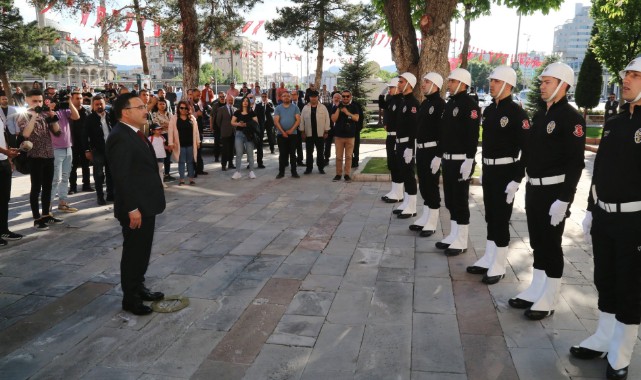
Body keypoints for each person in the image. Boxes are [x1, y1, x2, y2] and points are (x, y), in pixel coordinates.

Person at [570, 59, 641, 380]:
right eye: (626, 73)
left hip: (634, 222)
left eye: (635, 75)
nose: (626, 80)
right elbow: (600, 169)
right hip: (605, 216)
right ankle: (603, 336)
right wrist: (589, 208)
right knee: (605, 280)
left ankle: (621, 353)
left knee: (630, 287)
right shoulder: (614, 122)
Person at [508, 62, 585, 321]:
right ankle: (536, 288)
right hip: (535, 189)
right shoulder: (541, 115)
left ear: (563, 85)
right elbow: (528, 152)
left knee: (551, 244)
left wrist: (565, 198)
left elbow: (576, 162)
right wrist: (517, 178)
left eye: (547, 82)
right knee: (538, 241)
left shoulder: (572, 118)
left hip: (555, 191)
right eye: (541, 82)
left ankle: (550, 297)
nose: (542, 86)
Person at [466, 66, 529, 285]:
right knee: (490, 216)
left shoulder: (517, 113)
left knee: (501, 218)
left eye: (496, 81)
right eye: (491, 80)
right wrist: (483, 169)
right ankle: (489, 257)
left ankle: (500, 265)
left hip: (506, 172)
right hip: (490, 170)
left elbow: (527, 149)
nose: (491, 84)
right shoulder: (491, 110)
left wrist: (517, 178)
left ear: (508, 85)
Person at [105, 93, 165, 316]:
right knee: (133, 253)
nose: (145, 110)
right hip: (136, 208)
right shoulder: (120, 136)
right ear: (125, 112)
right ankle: (130, 298)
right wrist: (132, 209)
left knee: (142, 251)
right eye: (140, 107)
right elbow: (122, 177)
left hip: (145, 203)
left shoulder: (133, 133)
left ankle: (139, 288)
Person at [432, 68, 480, 256]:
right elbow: (444, 133)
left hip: (461, 160)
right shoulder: (450, 104)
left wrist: (470, 158)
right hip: (449, 160)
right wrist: (438, 154)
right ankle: (453, 235)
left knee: (460, 200)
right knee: (450, 200)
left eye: (452, 81)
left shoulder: (470, 105)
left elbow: (472, 134)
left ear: (462, 83)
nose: (449, 84)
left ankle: (462, 240)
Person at [16, 89, 64, 230]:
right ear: (27, 100)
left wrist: (52, 116)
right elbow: (26, 133)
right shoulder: (23, 115)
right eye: (35, 101)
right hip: (34, 156)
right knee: (36, 188)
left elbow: (57, 132)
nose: (38, 103)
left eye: (40, 101)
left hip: (49, 154)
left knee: (48, 187)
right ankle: (37, 219)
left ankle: (46, 215)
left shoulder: (44, 114)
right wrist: (34, 115)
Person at [410, 73, 445, 236]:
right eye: (423, 82)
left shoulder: (440, 104)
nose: (423, 84)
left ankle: (432, 221)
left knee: (431, 185)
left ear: (436, 85)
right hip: (421, 149)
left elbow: (444, 132)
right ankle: (425, 217)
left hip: (432, 150)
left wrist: (438, 155)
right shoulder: (425, 103)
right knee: (423, 184)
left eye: (427, 82)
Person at [390, 73, 420, 219]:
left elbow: (414, 128)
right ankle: (406, 202)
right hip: (400, 143)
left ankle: (412, 206)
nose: (399, 84)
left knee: (409, 175)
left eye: (401, 82)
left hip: (408, 144)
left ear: (409, 84)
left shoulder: (413, 103)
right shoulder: (403, 101)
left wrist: (409, 147)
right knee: (403, 173)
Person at [50, 90, 81, 213]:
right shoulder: (48, 113)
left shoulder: (65, 111)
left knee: (65, 177)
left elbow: (76, 116)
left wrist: (69, 102)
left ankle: (63, 202)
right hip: (56, 149)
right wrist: (50, 109)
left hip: (68, 147)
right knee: (55, 179)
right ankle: (48, 207)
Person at [84, 95, 114, 205]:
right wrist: (87, 150)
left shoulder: (110, 116)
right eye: (97, 104)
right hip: (98, 150)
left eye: (101, 104)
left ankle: (111, 194)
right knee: (99, 174)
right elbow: (85, 136)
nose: (99, 106)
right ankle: (100, 196)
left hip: (111, 149)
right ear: (93, 106)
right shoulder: (89, 119)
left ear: (104, 104)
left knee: (111, 173)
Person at [380, 78, 404, 203]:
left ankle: (399, 193)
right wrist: (381, 93)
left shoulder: (401, 101)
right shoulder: (391, 100)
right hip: (390, 136)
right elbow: (383, 108)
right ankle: (394, 190)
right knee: (392, 164)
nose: (390, 90)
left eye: (391, 88)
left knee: (397, 164)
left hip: (396, 136)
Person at [0, 112, 22, 246]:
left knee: (4, 199)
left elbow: (3, 136)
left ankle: (3, 230)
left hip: (3, 161)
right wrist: (6, 152)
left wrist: (8, 154)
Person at [330, 90, 360, 182]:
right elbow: (334, 119)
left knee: (348, 156)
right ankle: (338, 174)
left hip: (350, 136)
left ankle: (347, 174)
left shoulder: (354, 106)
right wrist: (339, 109)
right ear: (341, 97)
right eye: (343, 96)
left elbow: (356, 118)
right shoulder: (336, 107)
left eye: (347, 96)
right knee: (338, 156)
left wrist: (347, 113)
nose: (345, 98)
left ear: (350, 97)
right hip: (339, 136)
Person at [168, 100, 200, 186]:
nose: (183, 110)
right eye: (181, 108)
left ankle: (191, 179)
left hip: (190, 144)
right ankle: (181, 179)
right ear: (178, 108)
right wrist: (170, 143)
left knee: (190, 162)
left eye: (186, 108)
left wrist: (198, 141)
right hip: (179, 145)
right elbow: (170, 131)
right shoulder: (174, 118)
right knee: (181, 162)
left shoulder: (192, 118)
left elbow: (196, 131)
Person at [299, 90, 330, 174]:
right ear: (309, 98)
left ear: (317, 97)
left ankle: (321, 168)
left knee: (320, 152)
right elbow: (301, 120)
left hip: (320, 134)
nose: (313, 98)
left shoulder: (323, 107)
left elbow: (327, 120)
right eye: (311, 97)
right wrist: (302, 132)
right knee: (309, 152)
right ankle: (309, 168)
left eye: (315, 97)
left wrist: (326, 131)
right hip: (309, 134)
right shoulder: (305, 108)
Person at [273, 91, 301, 179]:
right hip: (281, 135)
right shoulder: (278, 108)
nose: (286, 97)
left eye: (288, 96)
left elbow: (298, 120)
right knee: (282, 154)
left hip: (293, 134)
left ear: (290, 98)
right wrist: (283, 132)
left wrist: (291, 130)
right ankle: (281, 172)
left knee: (293, 154)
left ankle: (294, 172)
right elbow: (276, 121)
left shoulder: (295, 108)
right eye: (284, 96)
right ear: (281, 98)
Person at [231, 96, 258, 179]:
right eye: (244, 101)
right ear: (241, 102)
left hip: (249, 135)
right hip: (239, 134)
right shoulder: (237, 112)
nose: (245, 102)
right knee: (239, 153)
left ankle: (251, 171)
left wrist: (247, 124)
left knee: (250, 153)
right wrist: (238, 124)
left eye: (247, 101)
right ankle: (237, 172)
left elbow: (256, 122)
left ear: (249, 103)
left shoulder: (251, 112)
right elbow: (232, 122)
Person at [151, 97, 174, 182]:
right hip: (159, 137)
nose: (162, 105)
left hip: (169, 136)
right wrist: (165, 125)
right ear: (157, 105)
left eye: (163, 104)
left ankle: (167, 174)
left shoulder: (169, 114)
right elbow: (157, 126)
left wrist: (163, 125)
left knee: (168, 156)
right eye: (160, 104)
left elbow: (172, 125)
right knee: (159, 156)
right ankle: (159, 174)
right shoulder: (154, 114)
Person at [216, 94, 236, 171]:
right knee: (225, 150)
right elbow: (218, 121)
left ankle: (230, 163)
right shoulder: (221, 109)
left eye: (232, 100)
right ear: (227, 100)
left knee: (231, 149)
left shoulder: (235, 109)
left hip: (233, 132)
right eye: (230, 100)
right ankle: (223, 165)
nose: (231, 101)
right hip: (225, 132)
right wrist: (223, 128)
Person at [148, 124, 169, 188]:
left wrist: (168, 147)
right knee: (154, 170)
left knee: (160, 170)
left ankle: (161, 183)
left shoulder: (162, 138)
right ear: (153, 131)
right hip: (153, 157)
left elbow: (163, 146)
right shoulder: (150, 138)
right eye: (157, 130)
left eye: (160, 129)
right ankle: (153, 183)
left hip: (161, 155)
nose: (159, 131)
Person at [324, 92, 341, 166]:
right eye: (335, 97)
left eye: (338, 98)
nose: (336, 99)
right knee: (327, 144)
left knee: (339, 145)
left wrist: (338, 107)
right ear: (332, 99)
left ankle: (339, 158)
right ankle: (326, 158)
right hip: (330, 128)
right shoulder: (328, 106)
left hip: (339, 129)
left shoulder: (342, 107)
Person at [210, 91, 226, 163]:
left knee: (225, 142)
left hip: (225, 126)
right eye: (220, 97)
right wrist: (211, 125)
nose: (222, 98)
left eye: (223, 97)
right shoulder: (215, 105)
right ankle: (216, 157)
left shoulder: (227, 104)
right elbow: (211, 116)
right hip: (217, 126)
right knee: (216, 142)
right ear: (218, 97)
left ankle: (225, 156)